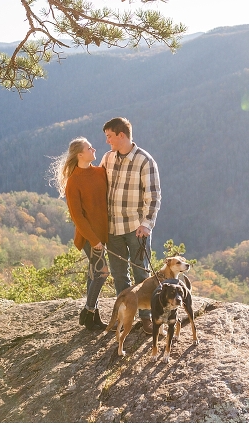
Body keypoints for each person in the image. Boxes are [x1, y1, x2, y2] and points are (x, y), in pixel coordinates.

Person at [100, 117, 161, 334]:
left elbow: (153, 196)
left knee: (141, 276)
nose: (107, 141)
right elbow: (99, 188)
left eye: (109, 136)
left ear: (121, 135)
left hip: (136, 229)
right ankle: (125, 316)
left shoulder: (145, 161)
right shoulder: (107, 159)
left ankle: (147, 318)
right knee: (119, 276)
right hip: (112, 228)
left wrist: (146, 224)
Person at [50, 137, 109, 330]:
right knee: (101, 273)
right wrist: (94, 240)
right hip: (89, 237)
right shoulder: (73, 182)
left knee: (93, 275)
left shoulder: (101, 172)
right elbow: (78, 217)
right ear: (80, 155)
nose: (94, 149)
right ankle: (88, 310)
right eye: (89, 147)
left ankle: (93, 318)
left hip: (104, 234)